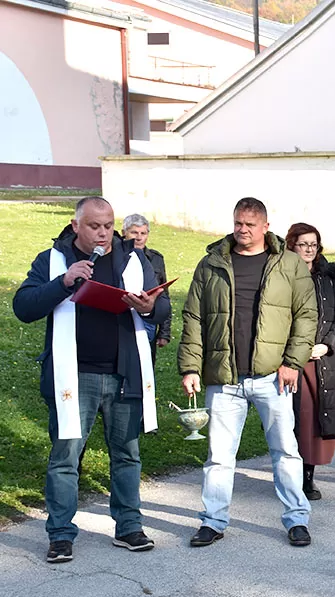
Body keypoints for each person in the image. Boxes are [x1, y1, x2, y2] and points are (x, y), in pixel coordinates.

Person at [14, 196, 169, 562]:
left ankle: (129, 527)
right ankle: (61, 534)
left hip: (123, 373)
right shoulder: (51, 259)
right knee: (65, 457)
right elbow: (24, 308)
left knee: (127, 455)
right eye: (94, 226)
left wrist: (150, 307)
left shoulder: (133, 258)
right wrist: (63, 282)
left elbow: (161, 305)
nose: (103, 233)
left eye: (108, 225)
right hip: (74, 375)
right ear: (75, 226)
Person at [179, 197, 317, 548]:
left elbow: (306, 316)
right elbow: (194, 318)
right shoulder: (211, 264)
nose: (242, 230)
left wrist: (293, 363)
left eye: (250, 225)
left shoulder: (288, 264)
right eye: (238, 223)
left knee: (286, 451)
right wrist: (191, 367)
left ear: (266, 227)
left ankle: (296, 519)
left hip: (274, 377)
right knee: (219, 457)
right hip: (224, 379)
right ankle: (212, 521)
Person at [286, 223, 335, 501]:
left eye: (313, 244)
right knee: (293, 419)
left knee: (315, 421)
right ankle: (289, 475)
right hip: (291, 359)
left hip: (322, 359)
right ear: (292, 245)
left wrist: (327, 345)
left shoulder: (330, 278)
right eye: (303, 244)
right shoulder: (282, 274)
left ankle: (307, 478)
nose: (309, 250)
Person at [122, 214, 171, 361]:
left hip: (149, 319)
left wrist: (164, 332)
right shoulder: (117, 256)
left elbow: (164, 294)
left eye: (143, 233)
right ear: (124, 232)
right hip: (125, 317)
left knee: (146, 365)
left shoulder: (156, 259)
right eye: (134, 232)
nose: (139, 237)